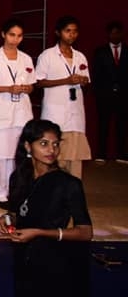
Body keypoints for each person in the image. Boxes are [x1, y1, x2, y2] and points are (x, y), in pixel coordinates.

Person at [0, 119, 93, 297]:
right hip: (26, 265)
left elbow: (85, 232)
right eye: (44, 144)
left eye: (55, 144)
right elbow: (19, 212)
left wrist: (40, 233)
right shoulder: (19, 177)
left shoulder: (68, 184)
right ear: (28, 146)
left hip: (56, 269)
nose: (51, 150)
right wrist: (7, 219)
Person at [0, 18, 35, 209]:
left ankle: (17, 191)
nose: (15, 39)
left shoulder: (26, 59)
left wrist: (27, 88)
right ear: (4, 35)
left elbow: (32, 84)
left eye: (19, 36)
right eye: (12, 35)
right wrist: (7, 88)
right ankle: (0, 193)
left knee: (19, 155)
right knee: (0, 155)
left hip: (21, 112)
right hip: (0, 112)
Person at [35, 16, 91, 178]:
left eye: (75, 31)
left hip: (75, 113)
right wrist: (65, 81)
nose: (71, 35)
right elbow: (39, 82)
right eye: (68, 31)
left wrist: (83, 81)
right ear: (58, 33)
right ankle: (52, 188)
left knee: (75, 158)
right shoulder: (48, 55)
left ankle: (73, 189)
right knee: (53, 156)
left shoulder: (80, 56)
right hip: (55, 112)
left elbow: (86, 80)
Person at [91, 21, 127, 162]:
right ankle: (101, 154)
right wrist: (98, 93)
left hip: (124, 95)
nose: (115, 35)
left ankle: (122, 154)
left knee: (122, 125)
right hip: (105, 95)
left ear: (122, 34)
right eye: (112, 33)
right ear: (108, 34)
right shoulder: (100, 51)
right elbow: (96, 74)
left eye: (117, 33)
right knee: (103, 124)